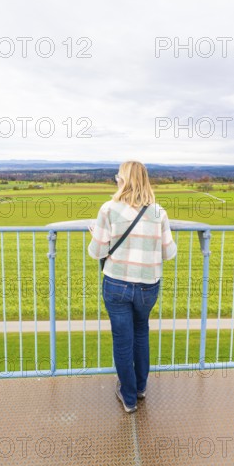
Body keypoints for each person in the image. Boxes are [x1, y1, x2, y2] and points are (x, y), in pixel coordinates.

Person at [87, 161, 177, 413]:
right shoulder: (159, 211)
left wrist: (96, 233)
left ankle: (128, 398)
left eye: (118, 176)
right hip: (148, 286)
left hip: (116, 284)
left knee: (122, 340)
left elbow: (97, 251)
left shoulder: (109, 209)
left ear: (123, 180)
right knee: (141, 334)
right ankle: (140, 388)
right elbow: (169, 252)